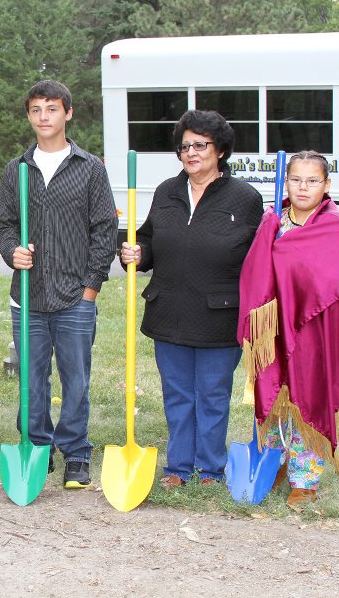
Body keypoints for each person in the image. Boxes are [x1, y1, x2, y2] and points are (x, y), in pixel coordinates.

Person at [120, 109, 263, 488]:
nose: (192, 153)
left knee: (213, 396)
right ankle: (179, 468)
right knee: (178, 395)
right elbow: (149, 238)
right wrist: (138, 253)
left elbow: (257, 257)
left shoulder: (245, 198)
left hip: (219, 315)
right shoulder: (167, 191)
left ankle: (211, 470)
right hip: (168, 311)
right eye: (185, 146)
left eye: (201, 145)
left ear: (220, 151)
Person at [0, 80, 117, 489]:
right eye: (35, 110)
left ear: (68, 113)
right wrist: (13, 252)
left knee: (76, 378)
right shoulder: (17, 170)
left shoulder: (90, 168)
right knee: (31, 378)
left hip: (74, 296)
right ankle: (36, 445)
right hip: (27, 296)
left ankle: (77, 452)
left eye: (51, 108)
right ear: (28, 116)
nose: (43, 117)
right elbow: (5, 222)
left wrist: (91, 287)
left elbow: (104, 229)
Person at [238, 150, 339, 510]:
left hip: (314, 328)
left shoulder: (334, 227)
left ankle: (305, 478)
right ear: (286, 181)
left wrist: (284, 252)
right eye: (295, 179)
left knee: (308, 397)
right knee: (276, 396)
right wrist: (270, 238)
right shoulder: (273, 221)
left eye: (312, 180)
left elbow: (332, 284)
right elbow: (255, 273)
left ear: (326, 184)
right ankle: (275, 463)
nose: (303, 187)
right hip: (274, 325)